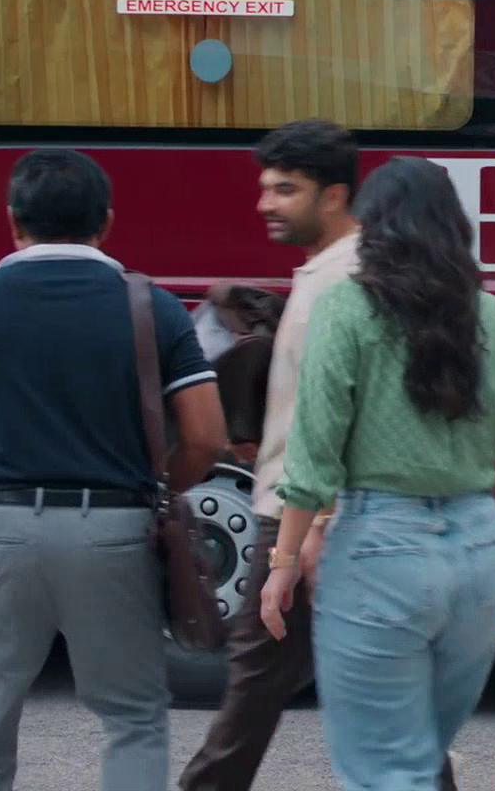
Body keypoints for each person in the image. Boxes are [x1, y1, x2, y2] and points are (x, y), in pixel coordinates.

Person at [178, 118, 464, 791]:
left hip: (311, 518)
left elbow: (353, 416)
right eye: (266, 188)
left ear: (334, 196)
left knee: (263, 684)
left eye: (285, 190)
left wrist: (316, 527)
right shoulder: (333, 274)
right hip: (318, 516)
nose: (265, 204)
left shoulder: (346, 282)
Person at [258, 155, 495, 789]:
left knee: (384, 769)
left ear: (372, 224)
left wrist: (283, 564)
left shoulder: (345, 307)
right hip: (480, 548)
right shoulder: (492, 315)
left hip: (379, 547)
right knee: (420, 757)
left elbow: (312, 455)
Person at [0, 148, 227, 790]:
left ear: (13, 220)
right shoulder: (152, 307)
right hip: (112, 533)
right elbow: (206, 436)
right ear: (105, 222)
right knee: (133, 717)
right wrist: (163, 486)